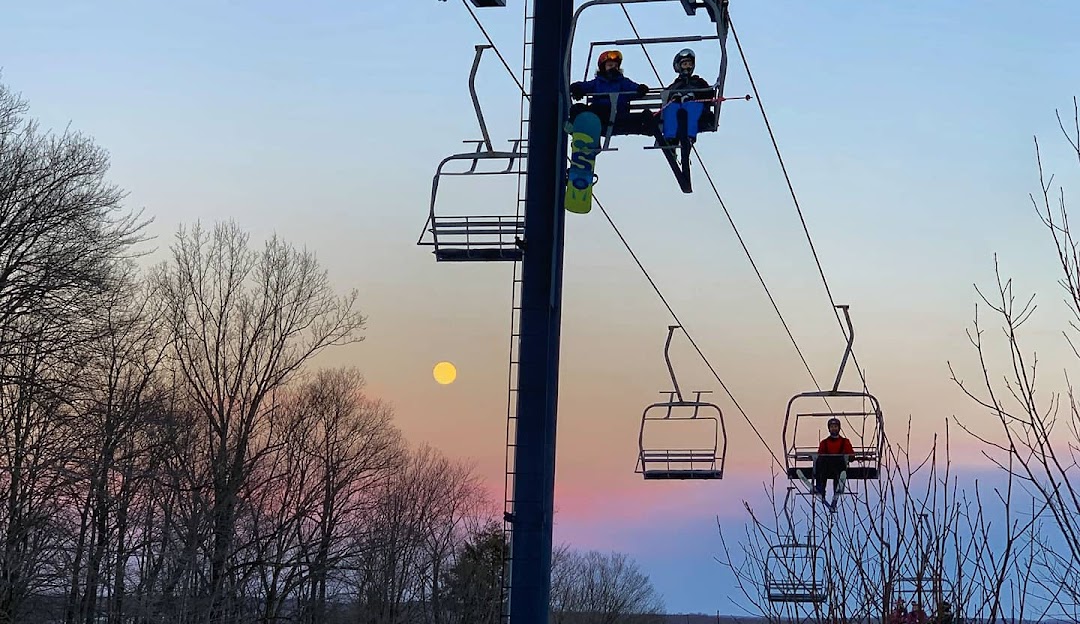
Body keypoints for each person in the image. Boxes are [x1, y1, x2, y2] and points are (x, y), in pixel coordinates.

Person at [569, 49, 653, 136]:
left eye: (616, 66)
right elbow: (585, 86)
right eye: (610, 65)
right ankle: (575, 129)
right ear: (603, 68)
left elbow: (633, 88)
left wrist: (640, 89)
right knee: (577, 108)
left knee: (600, 111)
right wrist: (576, 88)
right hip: (598, 114)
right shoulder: (597, 83)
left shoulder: (622, 82)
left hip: (616, 115)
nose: (613, 68)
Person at [660, 48, 715, 143]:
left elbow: (709, 92)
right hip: (678, 110)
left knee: (691, 107)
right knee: (671, 108)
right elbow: (667, 95)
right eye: (685, 64)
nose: (688, 67)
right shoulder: (676, 84)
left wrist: (694, 95)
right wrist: (674, 97)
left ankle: (689, 136)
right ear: (679, 66)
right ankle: (670, 137)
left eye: (690, 64)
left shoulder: (698, 81)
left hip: (695, 109)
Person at [815, 417, 855, 511]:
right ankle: (821, 487)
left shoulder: (845, 442)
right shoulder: (824, 443)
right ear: (829, 428)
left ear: (839, 428)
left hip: (839, 466)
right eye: (832, 427)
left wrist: (849, 457)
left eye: (835, 426)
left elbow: (851, 455)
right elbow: (820, 455)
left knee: (839, 462)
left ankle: (837, 487)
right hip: (826, 468)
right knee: (821, 462)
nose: (834, 428)